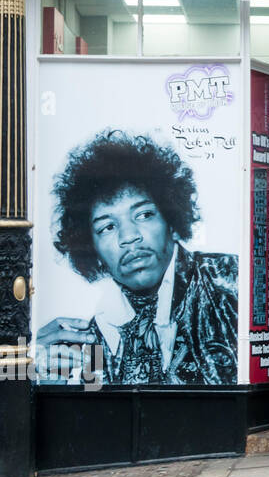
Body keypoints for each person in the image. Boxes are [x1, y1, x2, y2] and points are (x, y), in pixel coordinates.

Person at [38, 130, 238, 385]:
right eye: (107, 227)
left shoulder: (232, 281)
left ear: (172, 220)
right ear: (92, 249)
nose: (129, 236)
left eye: (143, 215)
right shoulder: (89, 337)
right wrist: (35, 377)